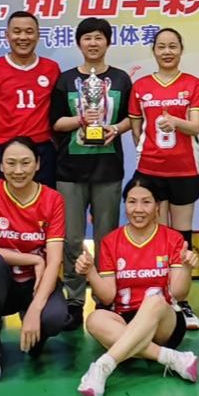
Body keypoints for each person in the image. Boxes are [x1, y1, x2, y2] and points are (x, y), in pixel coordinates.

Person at [74, 176, 199, 396]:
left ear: (158, 206)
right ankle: (171, 358)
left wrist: (186, 267)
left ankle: (103, 367)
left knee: (154, 301)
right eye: (132, 202)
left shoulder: (172, 238)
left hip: (164, 322)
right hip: (124, 319)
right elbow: (108, 297)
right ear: (125, 205)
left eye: (146, 202)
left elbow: (179, 294)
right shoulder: (111, 241)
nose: (138, 209)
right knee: (94, 319)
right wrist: (90, 271)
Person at [50, 17, 133, 328]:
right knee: (72, 239)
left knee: (107, 239)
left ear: (108, 42)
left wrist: (115, 128)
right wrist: (81, 120)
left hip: (108, 169)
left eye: (99, 37)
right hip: (69, 170)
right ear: (79, 43)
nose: (93, 43)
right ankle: (74, 301)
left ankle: (104, 298)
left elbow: (133, 117)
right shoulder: (65, 80)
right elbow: (56, 123)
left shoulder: (121, 79)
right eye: (87, 38)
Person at [0, 137, 69, 382]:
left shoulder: (53, 199)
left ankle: (33, 335)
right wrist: (34, 260)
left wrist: (35, 309)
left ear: (38, 164)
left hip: (35, 284)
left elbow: (54, 261)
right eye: (11, 163)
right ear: (1, 166)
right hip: (1, 283)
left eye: (26, 163)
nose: (18, 170)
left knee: (53, 318)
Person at [128, 27, 199, 329]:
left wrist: (174, 121)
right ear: (154, 51)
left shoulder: (193, 84)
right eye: (161, 46)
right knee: (157, 238)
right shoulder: (142, 86)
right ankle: (157, 298)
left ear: (181, 50)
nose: (167, 51)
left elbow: (195, 126)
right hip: (150, 172)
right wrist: (146, 149)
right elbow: (137, 127)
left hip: (184, 170)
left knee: (181, 237)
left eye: (173, 46)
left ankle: (181, 300)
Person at [0, 11, 61, 187]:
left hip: (42, 149)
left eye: (29, 32)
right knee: (2, 203)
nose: (23, 37)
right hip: (4, 150)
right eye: (17, 31)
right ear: (7, 35)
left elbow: (58, 114)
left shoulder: (51, 68)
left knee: (42, 202)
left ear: (38, 35)